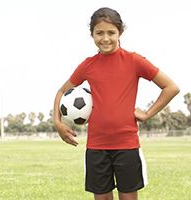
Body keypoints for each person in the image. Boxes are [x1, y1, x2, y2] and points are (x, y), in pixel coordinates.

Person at [53, 7, 180, 200]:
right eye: (99, 33)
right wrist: (58, 123)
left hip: (127, 145)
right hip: (96, 147)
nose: (105, 38)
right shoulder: (88, 65)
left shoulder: (134, 61)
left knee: (128, 197)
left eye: (111, 32)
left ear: (120, 32)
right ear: (92, 34)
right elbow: (61, 92)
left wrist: (147, 114)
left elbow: (171, 87)